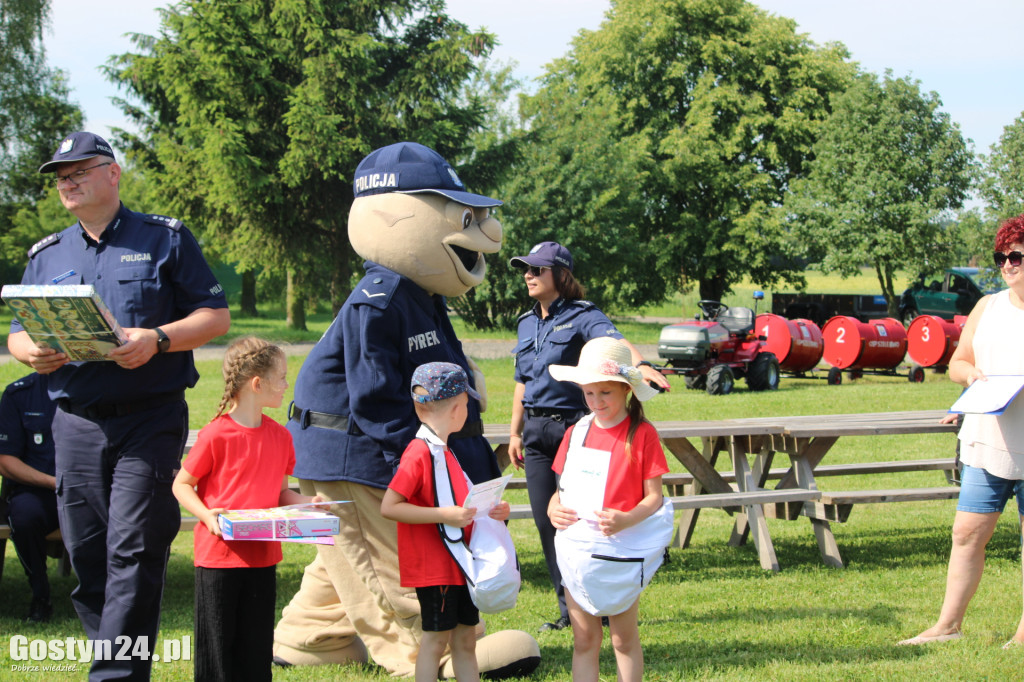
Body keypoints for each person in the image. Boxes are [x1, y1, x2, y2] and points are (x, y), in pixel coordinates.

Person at [273, 141, 539, 677]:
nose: (484, 233)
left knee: (346, 556)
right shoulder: (379, 301)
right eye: (463, 215)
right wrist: (431, 470)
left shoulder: (422, 298)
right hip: (355, 454)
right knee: (390, 557)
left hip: (372, 448)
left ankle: (309, 638)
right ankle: (431, 653)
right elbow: (376, 402)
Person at [8, 131, 230, 681]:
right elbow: (17, 330)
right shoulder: (47, 253)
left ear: (113, 173)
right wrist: (28, 351)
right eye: (62, 176)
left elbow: (214, 317)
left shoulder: (165, 239)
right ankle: (115, 661)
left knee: (133, 549)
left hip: (148, 420)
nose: (69, 182)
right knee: (86, 557)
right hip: (76, 424)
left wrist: (155, 338)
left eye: (80, 170)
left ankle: (113, 677)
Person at [507, 241, 670, 631]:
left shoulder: (583, 315)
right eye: (525, 270)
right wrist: (513, 431)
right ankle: (570, 610)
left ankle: (608, 604)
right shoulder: (525, 322)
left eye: (538, 269)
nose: (529, 275)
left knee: (586, 519)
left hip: (573, 430)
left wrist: (642, 364)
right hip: (535, 432)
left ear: (560, 275)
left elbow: (616, 344)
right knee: (551, 523)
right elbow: (522, 380)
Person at [898, 213, 1024, 649]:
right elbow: (957, 362)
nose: (1008, 264)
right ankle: (947, 626)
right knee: (967, 533)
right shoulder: (987, 306)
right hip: (987, 442)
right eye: (1002, 256)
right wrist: (971, 376)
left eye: (1017, 256)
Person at [172, 337, 325, 682]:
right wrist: (207, 515)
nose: (288, 384)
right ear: (258, 384)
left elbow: (281, 494)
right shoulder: (216, 436)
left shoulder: (281, 437)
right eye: (282, 377)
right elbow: (181, 485)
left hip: (263, 558)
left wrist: (309, 504)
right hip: (218, 559)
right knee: (217, 654)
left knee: (255, 653)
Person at [546, 336, 670, 682]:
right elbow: (561, 490)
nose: (596, 402)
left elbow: (654, 496)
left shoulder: (642, 434)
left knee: (622, 637)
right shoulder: (576, 432)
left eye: (605, 393)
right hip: (578, 549)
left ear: (626, 390)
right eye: (589, 393)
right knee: (584, 638)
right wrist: (553, 508)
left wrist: (627, 518)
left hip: (621, 551)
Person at [381, 362, 512, 682]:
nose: (467, 410)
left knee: (466, 638)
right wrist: (444, 515)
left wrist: (493, 509)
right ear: (455, 409)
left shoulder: (446, 451)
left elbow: (463, 503)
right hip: (435, 566)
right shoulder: (419, 452)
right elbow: (390, 506)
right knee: (436, 640)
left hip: (462, 563)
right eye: (467, 404)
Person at [0, 372, 60, 622]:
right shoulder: (20, 394)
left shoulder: (98, 388)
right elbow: (6, 462)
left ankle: (103, 597)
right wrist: (56, 483)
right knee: (24, 517)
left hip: (91, 487)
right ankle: (40, 594)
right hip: (39, 488)